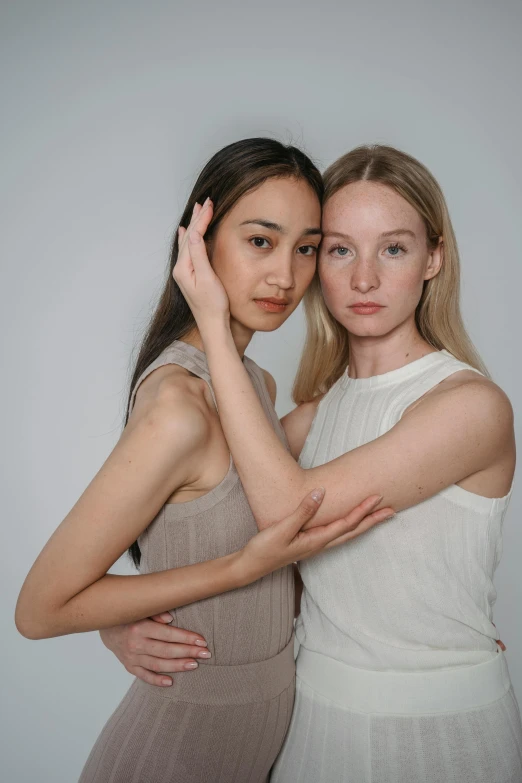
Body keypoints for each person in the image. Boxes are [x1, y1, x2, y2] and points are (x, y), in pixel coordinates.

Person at [15, 138, 393, 783]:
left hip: (257, 746)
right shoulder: (179, 408)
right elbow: (39, 610)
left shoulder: (255, 388)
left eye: (306, 248)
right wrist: (236, 570)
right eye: (259, 241)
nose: (285, 276)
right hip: (172, 751)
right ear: (201, 240)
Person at [173, 144, 522, 782]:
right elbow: (197, 521)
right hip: (312, 722)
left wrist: (215, 327)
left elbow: (285, 508)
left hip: (440, 734)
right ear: (315, 263)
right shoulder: (317, 414)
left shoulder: (471, 407)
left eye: (393, 248)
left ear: (433, 259)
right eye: (338, 249)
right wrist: (127, 622)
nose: (364, 279)